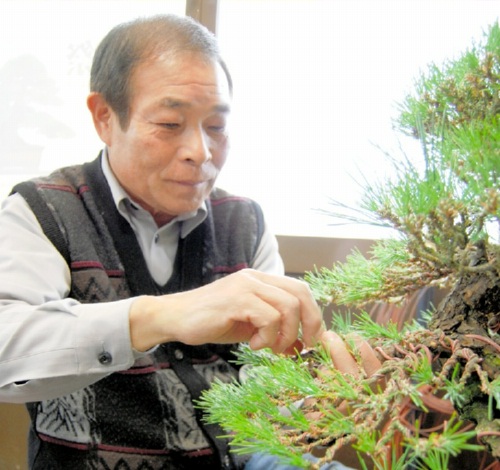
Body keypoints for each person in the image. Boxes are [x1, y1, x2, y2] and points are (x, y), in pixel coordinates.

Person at [0, 14, 380, 470]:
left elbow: (263, 402)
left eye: (216, 127)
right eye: (169, 123)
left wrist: (317, 403)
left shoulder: (244, 223)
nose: (200, 151)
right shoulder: (43, 211)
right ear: (104, 117)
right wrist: (164, 315)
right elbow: (7, 351)